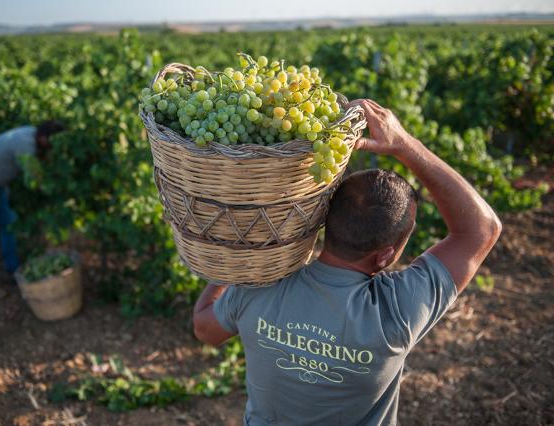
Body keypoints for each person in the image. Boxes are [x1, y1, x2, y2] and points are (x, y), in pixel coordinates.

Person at [193, 99, 502, 425]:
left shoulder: (263, 283)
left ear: (325, 220)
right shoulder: (396, 309)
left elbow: (205, 329)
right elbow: (483, 230)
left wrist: (239, 261)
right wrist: (404, 145)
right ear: (385, 255)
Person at [0, 121, 65, 300]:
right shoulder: (25, 144)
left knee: (9, 224)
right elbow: (36, 179)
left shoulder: (33, 135)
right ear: (43, 137)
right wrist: (56, 188)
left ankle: (13, 270)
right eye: (51, 143)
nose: (53, 147)